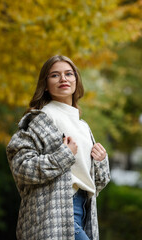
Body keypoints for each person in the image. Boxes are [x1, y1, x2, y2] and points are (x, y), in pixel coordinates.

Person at [6, 55, 110, 240]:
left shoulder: (83, 126)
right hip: (53, 212)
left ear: (76, 81)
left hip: (84, 209)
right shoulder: (41, 119)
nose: (63, 79)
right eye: (55, 75)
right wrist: (63, 156)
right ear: (45, 84)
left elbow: (96, 184)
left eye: (69, 74)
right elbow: (21, 167)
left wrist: (101, 161)